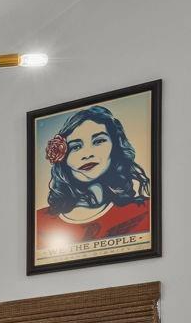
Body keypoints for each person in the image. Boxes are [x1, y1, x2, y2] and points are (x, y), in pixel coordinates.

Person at [34, 103, 152, 258]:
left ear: (115, 146)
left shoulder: (146, 210)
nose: (87, 154)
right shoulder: (39, 222)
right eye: (75, 147)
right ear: (63, 158)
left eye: (98, 141)